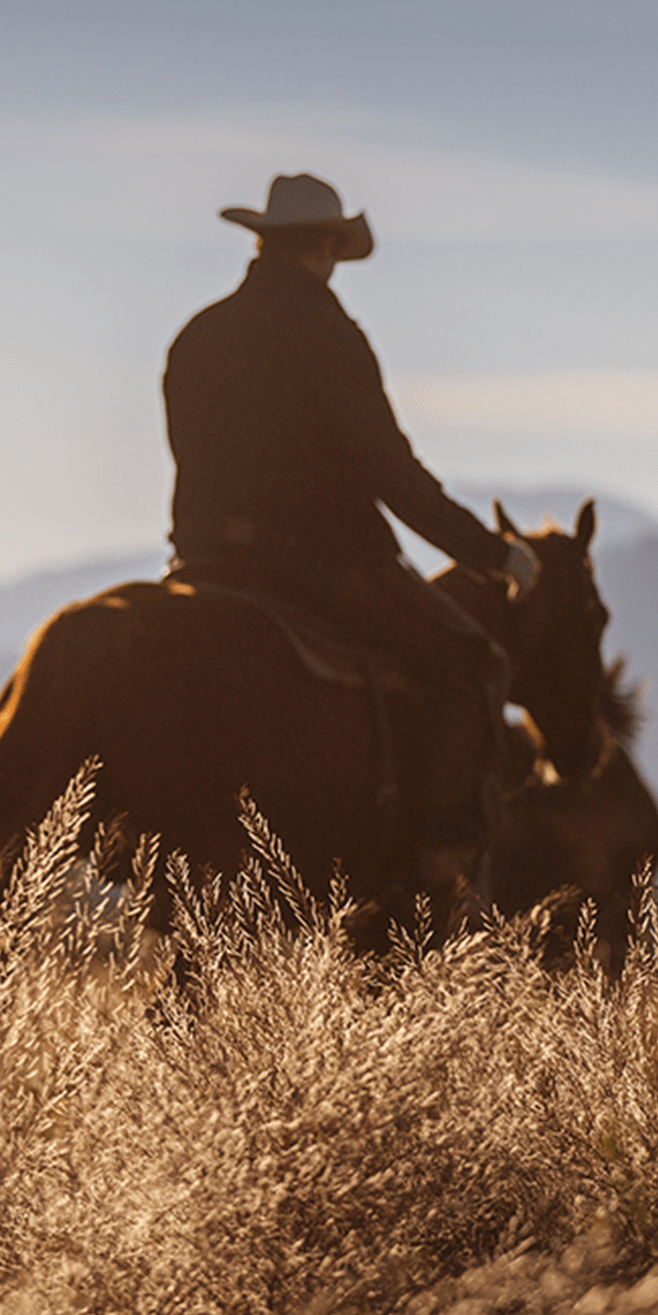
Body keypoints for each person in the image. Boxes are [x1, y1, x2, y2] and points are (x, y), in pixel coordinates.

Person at [162, 171, 536, 857]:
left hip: (202, 563)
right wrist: (492, 553)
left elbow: (191, 458)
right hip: (319, 565)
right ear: (327, 248)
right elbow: (390, 472)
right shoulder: (332, 336)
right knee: (474, 666)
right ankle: (434, 866)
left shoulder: (198, 335)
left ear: (264, 241)